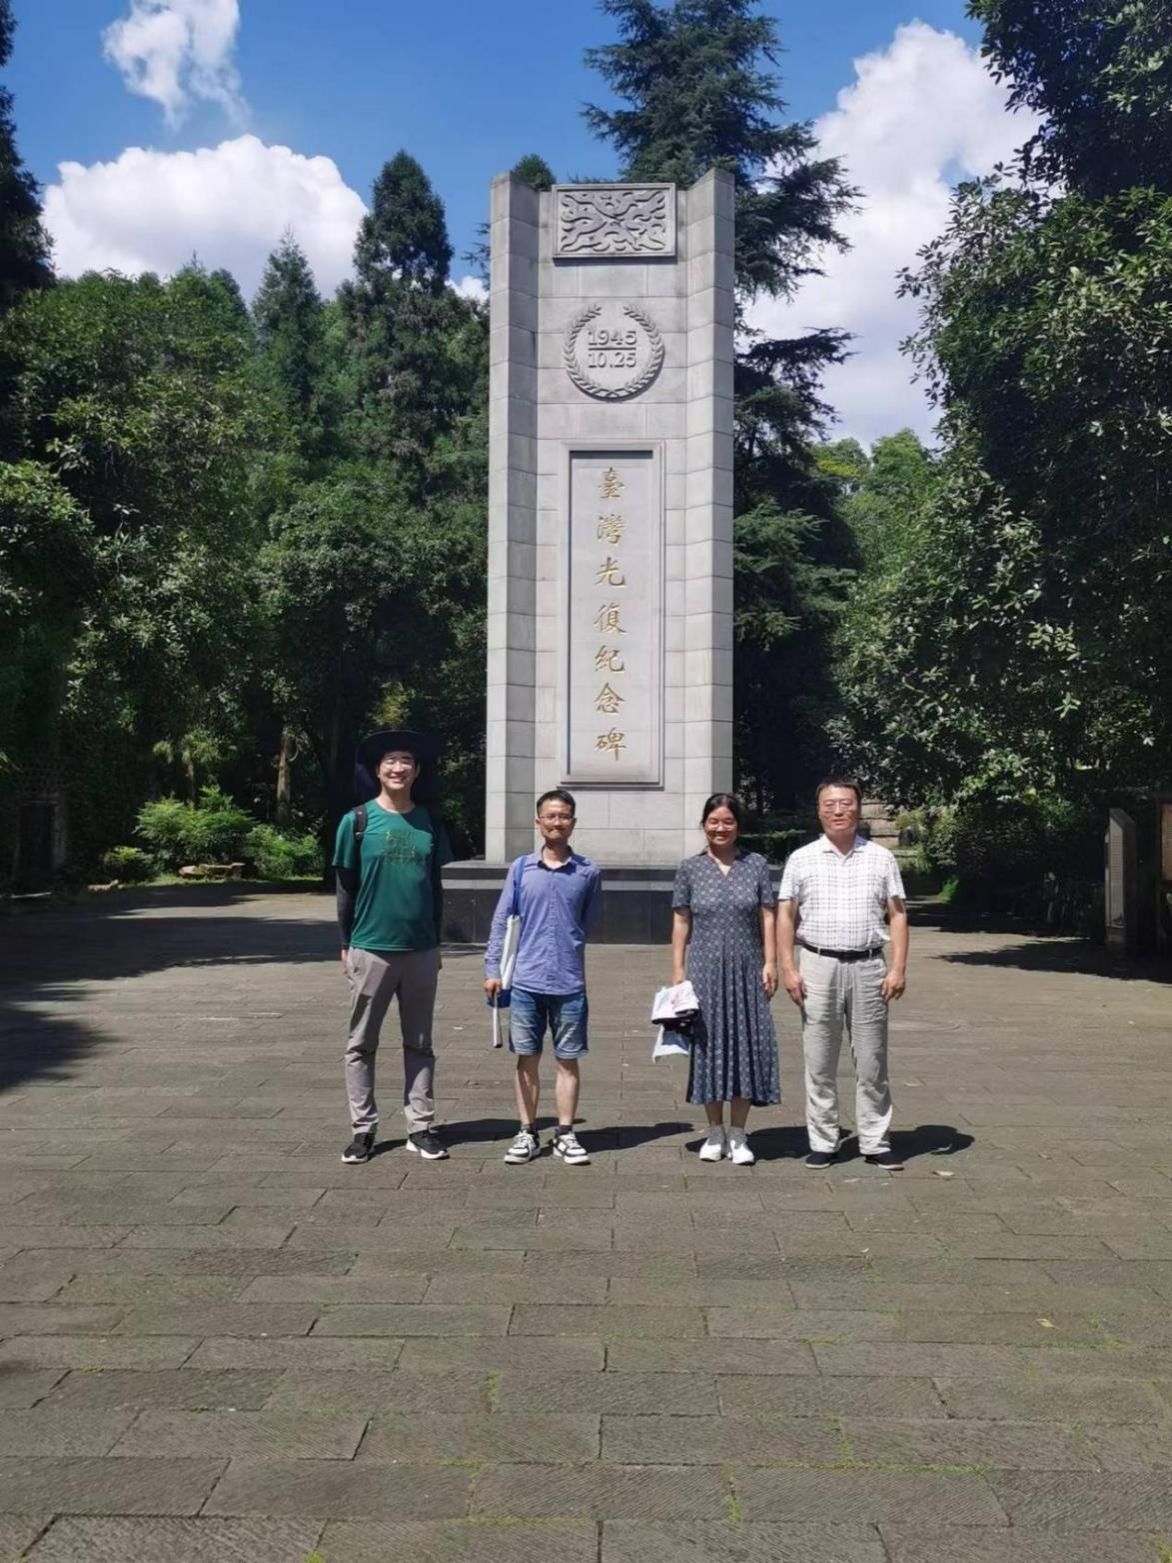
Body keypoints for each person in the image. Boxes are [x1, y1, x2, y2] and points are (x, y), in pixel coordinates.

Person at [334, 729, 453, 1165]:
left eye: (406, 761)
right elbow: (345, 887)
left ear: (416, 771)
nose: (398, 767)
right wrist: (346, 942)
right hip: (371, 947)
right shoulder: (357, 821)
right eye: (390, 760)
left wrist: (436, 943)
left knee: (420, 1042)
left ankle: (420, 1127)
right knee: (361, 1043)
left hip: (420, 950)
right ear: (378, 770)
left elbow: (436, 890)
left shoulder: (429, 823)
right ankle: (363, 1129)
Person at [777, 779, 908, 1171]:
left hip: (869, 966)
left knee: (872, 1061)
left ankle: (875, 1141)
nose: (838, 810)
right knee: (819, 1060)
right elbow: (785, 915)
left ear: (858, 808)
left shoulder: (880, 858)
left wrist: (898, 968)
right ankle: (823, 1140)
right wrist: (788, 968)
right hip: (818, 965)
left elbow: (898, 914)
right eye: (830, 804)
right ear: (819, 810)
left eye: (846, 803)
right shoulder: (801, 858)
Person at [484, 789, 601, 1167]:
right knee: (526, 1058)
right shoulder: (521, 869)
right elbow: (502, 920)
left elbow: (586, 923)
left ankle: (565, 1133)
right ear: (538, 822)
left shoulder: (588, 872)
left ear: (573, 823)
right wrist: (492, 970)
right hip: (525, 981)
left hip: (569, 981)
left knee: (568, 1060)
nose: (556, 822)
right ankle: (527, 1131)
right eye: (550, 816)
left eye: (563, 816)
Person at [670, 793, 779, 1166]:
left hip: (748, 969)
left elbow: (767, 915)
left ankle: (739, 1133)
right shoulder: (690, 868)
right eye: (714, 821)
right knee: (710, 1049)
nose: (720, 828)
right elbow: (681, 919)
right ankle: (715, 1131)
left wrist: (771, 962)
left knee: (746, 1046)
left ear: (738, 826)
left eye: (728, 822)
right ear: (704, 825)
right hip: (705, 970)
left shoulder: (756, 865)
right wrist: (678, 970)